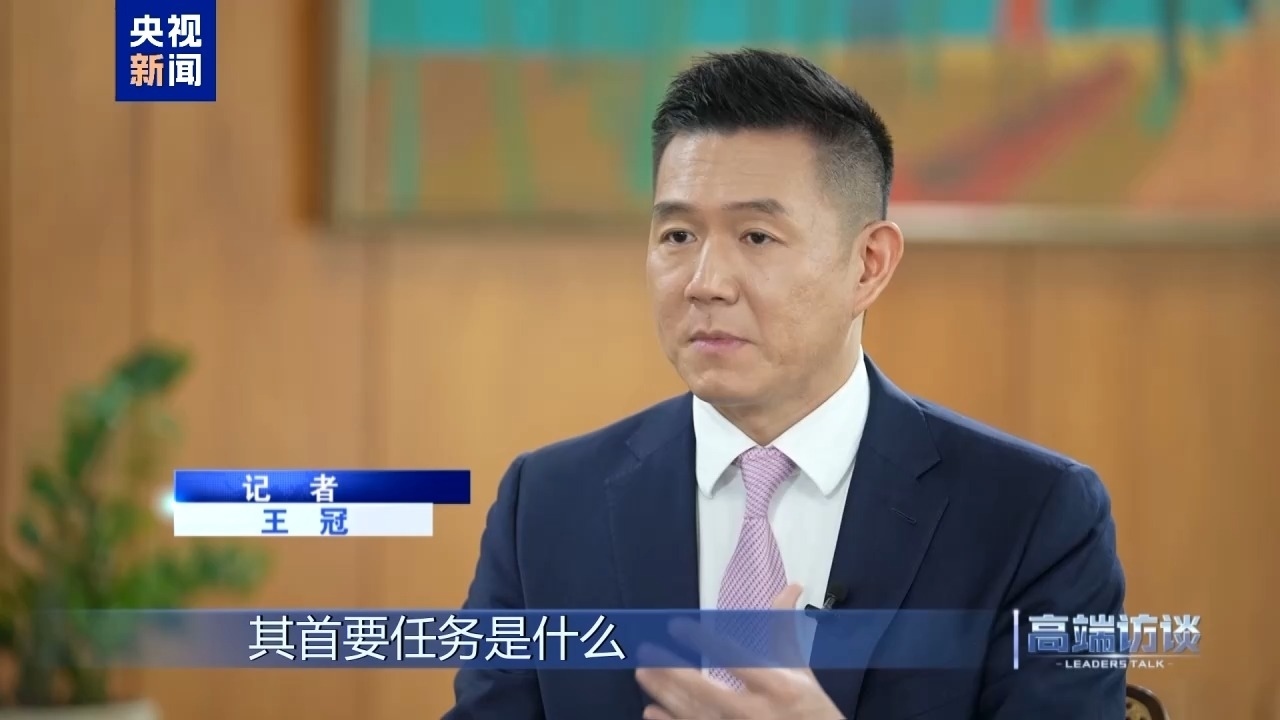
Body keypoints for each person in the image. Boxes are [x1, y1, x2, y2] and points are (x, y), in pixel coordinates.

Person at [444, 48, 1125, 720]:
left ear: (868, 264)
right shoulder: (547, 505)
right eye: (677, 235)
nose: (706, 283)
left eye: (757, 237)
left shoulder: (1034, 517)